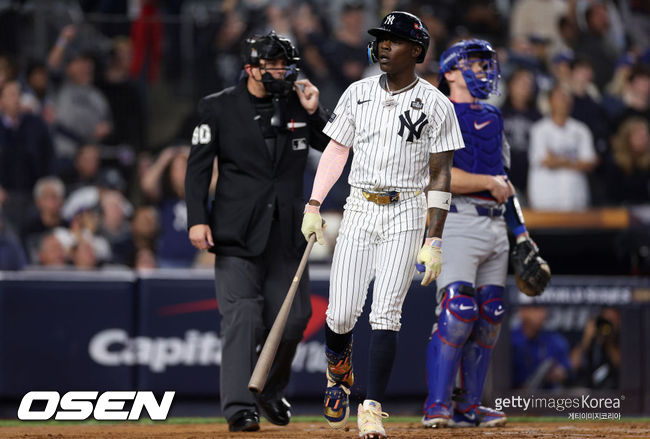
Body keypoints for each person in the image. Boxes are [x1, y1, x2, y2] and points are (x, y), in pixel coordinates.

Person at [301, 12, 463, 439]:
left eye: (394, 39)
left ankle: (370, 407)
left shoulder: (437, 103)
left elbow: (441, 174)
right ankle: (339, 377)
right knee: (340, 313)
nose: (384, 45)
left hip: (407, 209)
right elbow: (336, 151)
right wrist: (314, 204)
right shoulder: (357, 93)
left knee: (386, 313)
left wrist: (434, 239)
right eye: (382, 39)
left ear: (416, 50)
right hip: (359, 206)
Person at [185, 32, 330, 432]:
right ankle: (239, 408)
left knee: (298, 317)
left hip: (286, 233)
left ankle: (268, 389)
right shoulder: (217, 108)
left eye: (286, 64)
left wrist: (316, 112)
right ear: (251, 68)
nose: (283, 72)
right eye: (274, 65)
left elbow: (337, 144)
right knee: (243, 315)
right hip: (236, 233)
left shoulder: (297, 105)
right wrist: (196, 218)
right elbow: (197, 168)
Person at [421, 39, 543, 428]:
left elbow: (504, 182)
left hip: (494, 224)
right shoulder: (438, 113)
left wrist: (521, 235)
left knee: (491, 315)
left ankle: (468, 406)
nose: (482, 71)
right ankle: (437, 405)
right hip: (454, 220)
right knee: (458, 312)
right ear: (450, 72)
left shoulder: (494, 118)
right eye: (473, 64)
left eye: (484, 63)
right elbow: (438, 178)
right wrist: (488, 182)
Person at [527, 84, 598, 210]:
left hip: (576, 199)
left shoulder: (581, 130)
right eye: (559, 97)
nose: (564, 101)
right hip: (545, 200)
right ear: (550, 101)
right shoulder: (539, 129)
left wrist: (558, 159)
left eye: (567, 97)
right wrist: (575, 161)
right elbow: (547, 162)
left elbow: (589, 163)